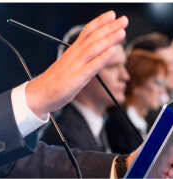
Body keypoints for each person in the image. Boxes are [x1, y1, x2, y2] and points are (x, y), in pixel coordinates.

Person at [0, 11, 173, 178]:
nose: (126, 77)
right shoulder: (65, 129)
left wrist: (124, 167)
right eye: (112, 67)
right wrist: (39, 95)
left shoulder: (106, 122)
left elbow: (5, 165)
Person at [41, 24, 132, 153]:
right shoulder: (65, 139)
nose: (125, 76)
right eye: (113, 66)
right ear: (80, 72)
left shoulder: (101, 126)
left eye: (124, 65)